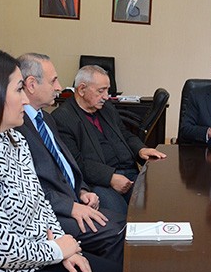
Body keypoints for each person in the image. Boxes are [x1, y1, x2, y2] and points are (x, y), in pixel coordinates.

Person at [0, 47, 122, 272]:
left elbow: (38, 203)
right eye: (18, 90)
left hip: (33, 259)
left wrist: (64, 244)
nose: (25, 99)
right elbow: (0, 251)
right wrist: (57, 249)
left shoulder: (13, 139)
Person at [15, 53, 126, 263]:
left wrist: (82, 190)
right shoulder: (16, 126)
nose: (59, 87)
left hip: (73, 197)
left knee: (125, 223)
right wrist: (71, 206)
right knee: (118, 232)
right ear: (31, 85)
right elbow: (29, 187)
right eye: (53, 81)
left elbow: (66, 163)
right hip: (50, 212)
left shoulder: (45, 118)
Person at [52, 64, 166, 209]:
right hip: (100, 182)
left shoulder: (106, 108)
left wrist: (141, 150)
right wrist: (110, 178)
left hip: (130, 173)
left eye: (107, 90)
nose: (106, 96)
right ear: (81, 89)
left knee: (158, 203)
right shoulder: (63, 119)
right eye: (101, 91)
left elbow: (124, 134)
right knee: (122, 216)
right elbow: (75, 163)